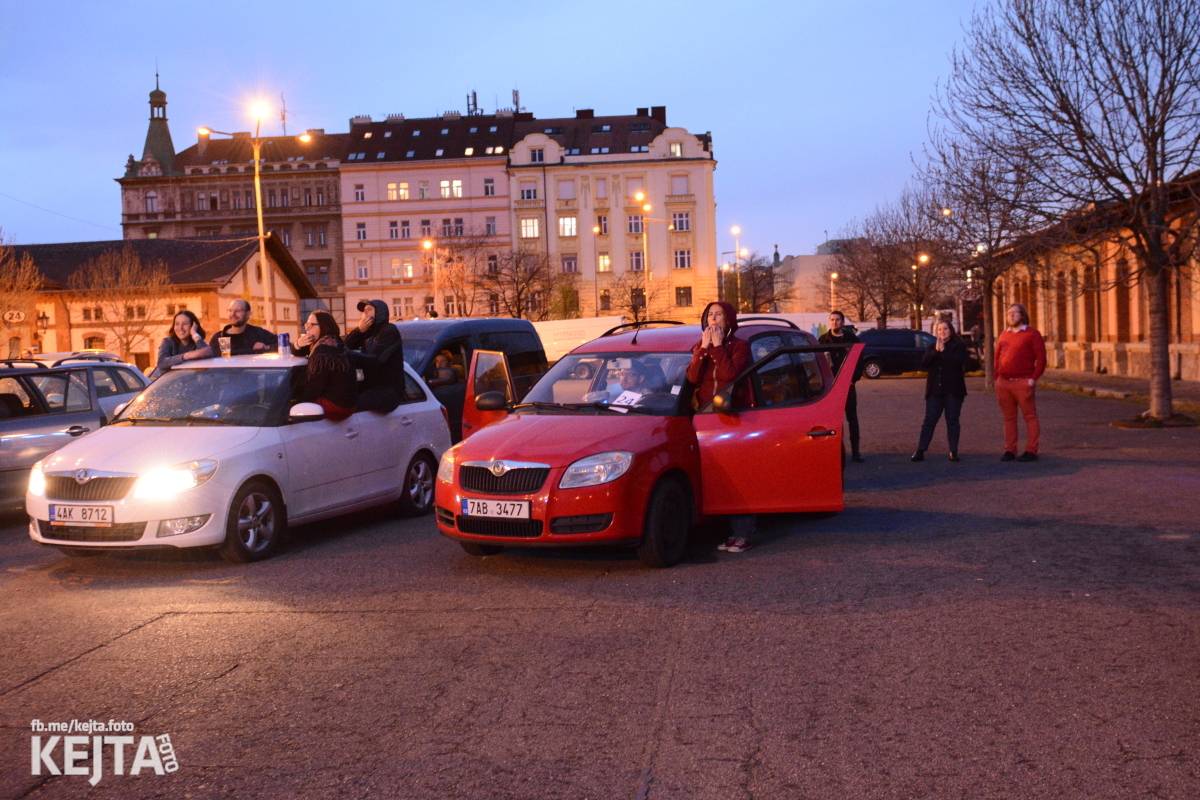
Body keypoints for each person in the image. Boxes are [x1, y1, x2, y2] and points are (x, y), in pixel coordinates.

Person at [685, 301, 755, 553]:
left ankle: (743, 532)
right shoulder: (700, 345)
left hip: (731, 417)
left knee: (735, 475)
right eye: (710, 315)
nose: (714, 319)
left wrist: (716, 347)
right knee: (713, 476)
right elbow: (692, 377)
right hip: (705, 417)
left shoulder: (739, 346)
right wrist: (703, 349)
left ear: (729, 320)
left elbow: (729, 375)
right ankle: (723, 531)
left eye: (719, 315)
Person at [994, 302, 1047, 462]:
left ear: (1022, 315)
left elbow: (1042, 359)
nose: (1011, 315)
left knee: (1030, 417)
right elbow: (997, 358)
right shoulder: (1004, 334)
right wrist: (997, 378)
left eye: (1015, 313)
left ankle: (1031, 450)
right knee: (1009, 418)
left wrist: (1033, 379)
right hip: (1004, 384)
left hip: (1023, 382)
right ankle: (1010, 450)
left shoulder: (1032, 334)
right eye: (1009, 313)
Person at [911, 320, 969, 462]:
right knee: (929, 420)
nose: (942, 332)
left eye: (945, 329)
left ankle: (953, 451)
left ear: (951, 330)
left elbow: (959, 363)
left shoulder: (958, 346)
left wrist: (944, 352)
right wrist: (935, 352)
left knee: (952, 421)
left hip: (953, 391)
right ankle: (920, 450)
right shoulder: (932, 347)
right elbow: (924, 364)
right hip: (935, 391)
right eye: (939, 330)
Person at [292, 311, 356, 421]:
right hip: (348, 403)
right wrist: (298, 344)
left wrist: (298, 403)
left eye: (311, 325)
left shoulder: (323, 351)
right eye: (306, 324)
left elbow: (314, 386)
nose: (307, 328)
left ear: (324, 326)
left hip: (336, 406)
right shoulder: (334, 342)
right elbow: (298, 352)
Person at [818, 310, 864, 462]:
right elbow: (818, 363)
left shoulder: (852, 339)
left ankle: (856, 452)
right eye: (832, 319)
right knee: (832, 422)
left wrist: (853, 379)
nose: (834, 322)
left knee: (852, 419)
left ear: (843, 322)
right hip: (831, 388)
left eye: (838, 320)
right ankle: (834, 453)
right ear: (829, 321)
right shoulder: (823, 340)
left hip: (848, 385)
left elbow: (859, 362)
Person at [345, 299, 406, 413]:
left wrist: (350, 355)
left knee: (352, 406)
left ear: (380, 312)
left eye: (369, 309)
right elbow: (345, 346)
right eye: (364, 311)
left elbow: (376, 359)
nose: (365, 313)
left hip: (388, 391)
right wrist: (359, 331)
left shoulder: (389, 330)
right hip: (371, 388)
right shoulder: (367, 333)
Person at [151, 310, 213, 378]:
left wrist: (194, 334)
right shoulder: (167, 342)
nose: (180, 328)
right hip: (162, 384)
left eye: (185, 324)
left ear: (193, 326)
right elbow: (162, 363)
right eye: (177, 324)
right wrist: (186, 356)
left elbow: (208, 353)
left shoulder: (197, 342)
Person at [208, 299, 275, 356]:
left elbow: (282, 343)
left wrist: (266, 347)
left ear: (248, 314)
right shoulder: (219, 338)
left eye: (238, 311)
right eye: (230, 310)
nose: (233, 314)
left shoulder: (258, 333)